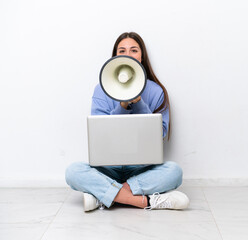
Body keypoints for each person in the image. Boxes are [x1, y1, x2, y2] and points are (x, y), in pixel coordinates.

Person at [65, 32, 189, 211]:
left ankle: (105, 197)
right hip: (108, 168)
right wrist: (122, 106)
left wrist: (139, 103)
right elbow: (99, 134)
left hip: (142, 168)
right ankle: (144, 201)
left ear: (141, 56)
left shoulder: (156, 91)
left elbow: (159, 133)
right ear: (115, 56)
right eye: (122, 50)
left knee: (174, 171)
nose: (128, 55)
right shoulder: (101, 90)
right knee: (73, 171)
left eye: (134, 50)